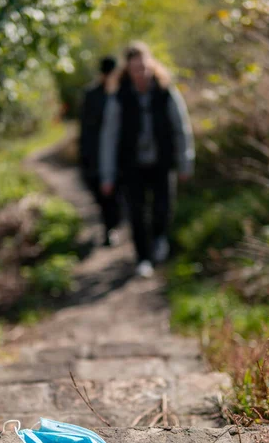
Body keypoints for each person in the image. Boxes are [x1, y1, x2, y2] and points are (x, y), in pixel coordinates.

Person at [99, 41, 195, 277]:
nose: (141, 73)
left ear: (151, 65)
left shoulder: (166, 92)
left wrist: (185, 162)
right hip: (132, 166)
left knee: (163, 208)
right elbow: (109, 138)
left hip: (162, 163)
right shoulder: (118, 98)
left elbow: (181, 128)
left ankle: (160, 239)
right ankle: (143, 258)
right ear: (128, 71)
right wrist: (107, 174)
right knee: (136, 213)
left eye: (144, 67)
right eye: (135, 69)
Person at [79, 56, 121, 246]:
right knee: (102, 194)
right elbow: (85, 128)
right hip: (95, 154)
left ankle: (113, 225)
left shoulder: (121, 93)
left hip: (118, 154)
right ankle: (108, 228)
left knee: (116, 195)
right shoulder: (92, 94)